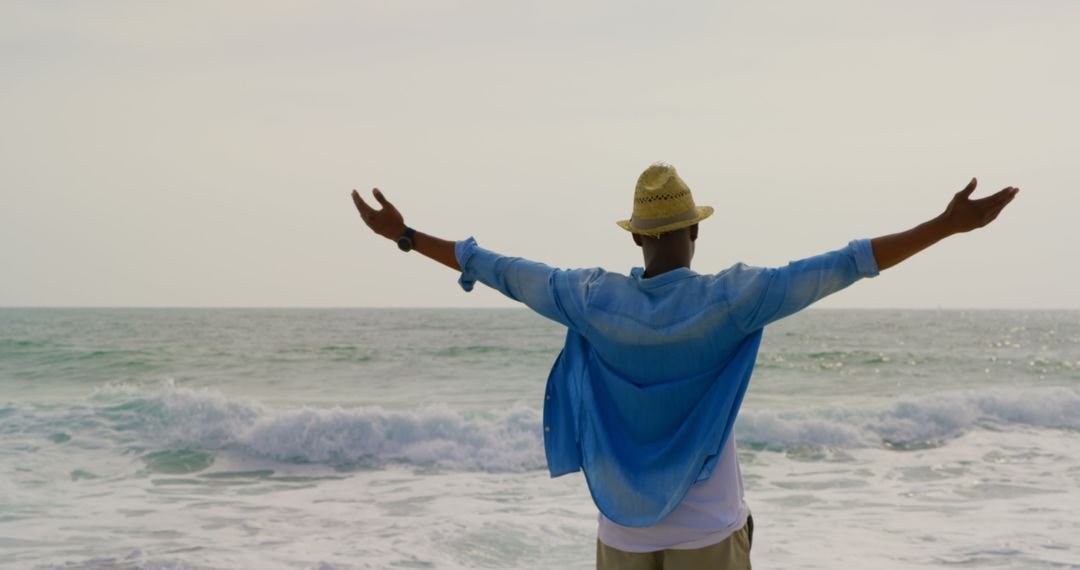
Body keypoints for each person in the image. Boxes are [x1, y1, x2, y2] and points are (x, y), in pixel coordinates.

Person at [349, 163, 1018, 570]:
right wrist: (944, 225)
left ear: (637, 237)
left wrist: (407, 237)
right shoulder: (734, 299)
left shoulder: (591, 300)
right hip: (709, 530)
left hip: (623, 533)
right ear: (695, 231)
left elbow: (495, 268)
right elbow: (845, 264)